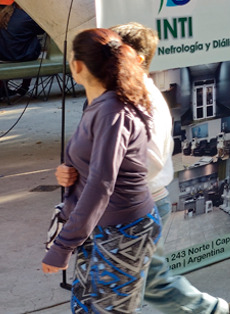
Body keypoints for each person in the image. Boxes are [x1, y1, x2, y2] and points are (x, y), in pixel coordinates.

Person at [109, 23, 230, 314]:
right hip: (145, 199)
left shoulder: (135, 101)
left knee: (134, 284)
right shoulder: (139, 95)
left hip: (137, 201)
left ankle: (215, 311)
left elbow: (137, 163)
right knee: (151, 282)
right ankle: (216, 311)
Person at [43, 28, 161, 313]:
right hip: (100, 228)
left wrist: (62, 246)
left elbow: (101, 184)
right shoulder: (100, 105)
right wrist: (69, 171)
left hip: (122, 231)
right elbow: (92, 162)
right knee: (85, 307)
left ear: (77, 65)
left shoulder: (112, 111)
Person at [0, 2, 45, 96]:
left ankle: (3, 87)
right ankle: (25, 87)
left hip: (3, 57)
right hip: (24, 56)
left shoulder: (2, 15)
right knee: (30, 40)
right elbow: (41, 30)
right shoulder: (26, 17)